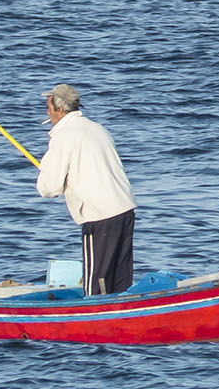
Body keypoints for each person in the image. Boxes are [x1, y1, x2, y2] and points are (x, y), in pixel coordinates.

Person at [35, 83, 137, 296]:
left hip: (99, 215)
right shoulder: (96, 128)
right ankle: (120, 319)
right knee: (120, 280)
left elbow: (49, 188)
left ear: (60, 110)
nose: (47, 112)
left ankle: (95, 319)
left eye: (49, 107)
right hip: (125, 208)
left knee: (96, 282)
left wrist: (45, 172)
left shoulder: (63, 136)